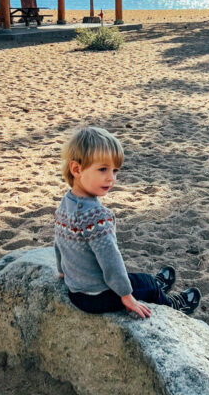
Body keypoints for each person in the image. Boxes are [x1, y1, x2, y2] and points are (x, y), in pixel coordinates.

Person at [54, 125, 201, 318]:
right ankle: (171, 305)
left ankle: (155, 285)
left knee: (142, 279)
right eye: (103, 169)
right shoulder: (97, 216)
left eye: (115, 171)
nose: (111, 178)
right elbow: (110, 261)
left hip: (76, 291)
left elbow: (59, 242)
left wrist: (62, 271)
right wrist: (126, 296)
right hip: (98, 296)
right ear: (77, 169)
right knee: (146, 285)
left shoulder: (66, 203)